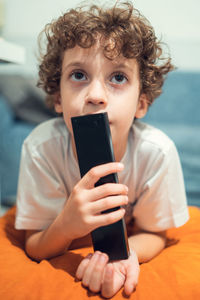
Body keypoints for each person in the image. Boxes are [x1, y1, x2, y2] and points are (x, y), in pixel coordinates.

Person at [15, 2, 189, 298]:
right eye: (79, 75)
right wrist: (67, 225)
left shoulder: (157, 153)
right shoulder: (41, 149)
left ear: (142, 103)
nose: (95, 96)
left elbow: (154, 233)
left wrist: (124, 256)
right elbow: (36, 244)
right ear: (58, 98)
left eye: (118, 77)